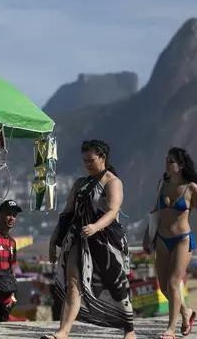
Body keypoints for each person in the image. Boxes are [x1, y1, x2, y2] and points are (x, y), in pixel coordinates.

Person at [45, 140, 135, 339]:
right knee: (73, 283)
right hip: (79, 237)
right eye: (84, 160)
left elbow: (112, 211)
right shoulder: (80, 183)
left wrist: (95, 226)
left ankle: (129, 330)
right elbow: (68, 212)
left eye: (91, 160)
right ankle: (63, 332)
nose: (87, 164)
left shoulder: (113, 182)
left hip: (107, 240)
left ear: (102, 158)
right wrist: (54, 240)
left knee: (116, 286)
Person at [142, 147, 197, 338]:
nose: (167, 163)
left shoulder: (192, 188)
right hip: (162, 239)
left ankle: (170, 329)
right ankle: (186, 312)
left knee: (173, 282)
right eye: (167, 159)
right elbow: (155, 211)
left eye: (171, 160)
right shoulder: (162, 185)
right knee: (163, 286)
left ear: (180, 166)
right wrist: (147, 235)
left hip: (182, 240)